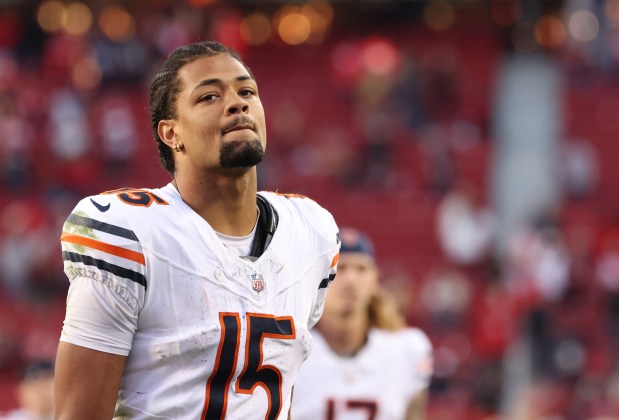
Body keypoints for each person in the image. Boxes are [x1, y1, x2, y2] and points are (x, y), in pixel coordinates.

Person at [54, 41, 340, 420]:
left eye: (247, 91)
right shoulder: (129, 233)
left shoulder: (311, 231)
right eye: (209, 96)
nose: (237, 103)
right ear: (172, 134)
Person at [292, 227, 433, 420]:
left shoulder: (408, 350)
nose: (351, 280)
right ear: (316, 279)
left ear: (375, 278)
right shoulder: (290, 350)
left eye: (361, 269)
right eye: (340, 268)